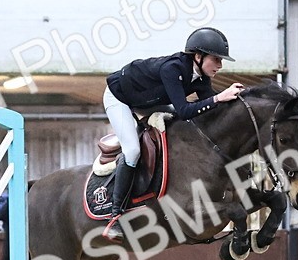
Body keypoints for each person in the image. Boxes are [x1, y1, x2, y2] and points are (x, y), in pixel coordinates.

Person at [101, 27, 246, 239]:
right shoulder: (173, 68)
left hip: (147, 100)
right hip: (119, 97)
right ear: (198, 56)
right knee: (132, 151)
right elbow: (185, 110)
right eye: (216, 59)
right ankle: (115, 217)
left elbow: (211, 112)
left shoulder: (201, 78)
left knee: (180, 127)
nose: (220, 65)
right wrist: (219, 97)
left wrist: (241, 102)